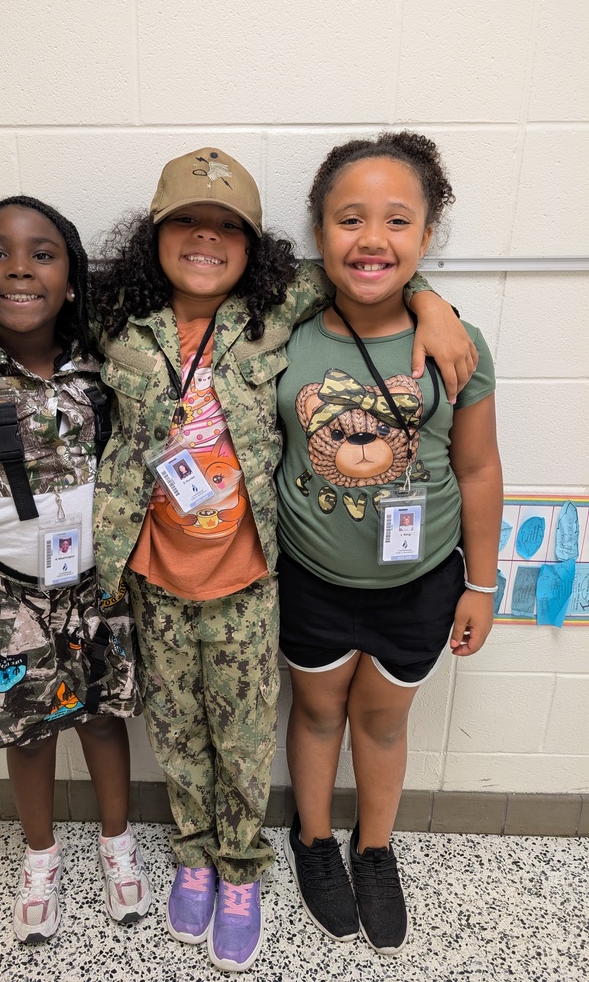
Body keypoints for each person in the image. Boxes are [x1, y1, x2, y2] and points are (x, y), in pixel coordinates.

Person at [0, 148, 476, 973]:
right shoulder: (113, 323)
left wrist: (433, 302)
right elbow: (23, 304)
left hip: (247, 583)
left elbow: (371, 274)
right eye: (186, 225)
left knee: (242, 741)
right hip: (150, 582)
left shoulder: (278, 307)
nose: (205, 240)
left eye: (227, 229)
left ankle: (241, 872)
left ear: (254, 246)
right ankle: (195, 858)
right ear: (154, 236)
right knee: (176, 735)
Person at [0, 196, 152, 946]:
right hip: (4, 596)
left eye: (42, 253)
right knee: (29, 733)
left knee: (105, 720)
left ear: (71, 278)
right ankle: (40, 858)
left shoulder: (107, 364)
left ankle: (116, 843)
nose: (18, 267)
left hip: (100, 588)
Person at [276, 133, 503, 956]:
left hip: (421, 584)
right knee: (314, 710)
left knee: (380, 722)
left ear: (426, 235)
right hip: (311, 579)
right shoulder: (282, 335)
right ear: (319, 233)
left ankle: (373, 849)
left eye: (396, 221)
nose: (371, 238)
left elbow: (476, 468)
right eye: (349, 219)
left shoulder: (454, 341)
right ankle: (311, 840)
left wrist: (481, 584)